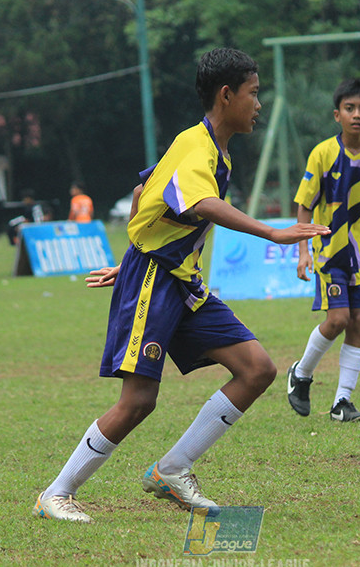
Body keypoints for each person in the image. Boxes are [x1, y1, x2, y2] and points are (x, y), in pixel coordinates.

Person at [33, 47, 330, 523]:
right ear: (226, 94)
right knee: (138, 402)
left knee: (256, 369)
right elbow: (203, 204)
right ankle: (56, 493)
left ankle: (173, 468)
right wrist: (272, 232)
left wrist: (135, 251)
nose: (259, 104)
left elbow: (142, 191)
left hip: (180, 281)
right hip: (156, 280)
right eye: (254, 94)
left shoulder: (212, 147)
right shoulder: (196, 148)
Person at [285, 78, 360, 423]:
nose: (356, 115)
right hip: (328, 250)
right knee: (338, 319)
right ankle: (300, 373)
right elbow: (304, 205)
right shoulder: (321, 154)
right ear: (337, 115)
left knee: (359, 321)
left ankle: (341, 403)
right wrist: (303, 251)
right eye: (349, 108)